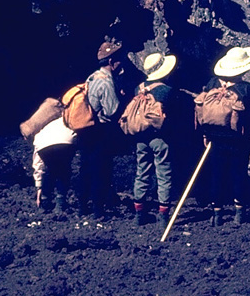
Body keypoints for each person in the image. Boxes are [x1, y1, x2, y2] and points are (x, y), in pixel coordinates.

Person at [200, 46, 250, 226]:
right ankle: (239, 212)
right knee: (238, 173)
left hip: (215, 137)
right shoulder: (245, 89)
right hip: (238, 139)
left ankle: (217, 213)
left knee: (217, 174)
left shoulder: (212, 83)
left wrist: (206, 134)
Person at [76, 40, 126, 217]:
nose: (121, 62)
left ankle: (82, 206)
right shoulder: (106, 82)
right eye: (118, 59)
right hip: (100, 131)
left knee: (85, 167)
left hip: (85, 128)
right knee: (101, 169)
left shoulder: (91, 77)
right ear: (111, 62)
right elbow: (112, 111)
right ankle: (98, 209)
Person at [129, 52, 179, 229]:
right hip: (160, 138)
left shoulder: (139, 88)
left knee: (141, 171)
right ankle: (163, 215)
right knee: (163, 173)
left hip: (141, 138)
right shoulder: (166, 90)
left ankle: (139, 214)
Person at [32, 113, 77, 215]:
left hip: (42, 145)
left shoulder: (45, 128)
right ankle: (60, 204)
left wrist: (39, 186)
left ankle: (45, 201)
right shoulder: (70, 118)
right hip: (66, 141)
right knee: (64, 171)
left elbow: (38, 163)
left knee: (50, 170)